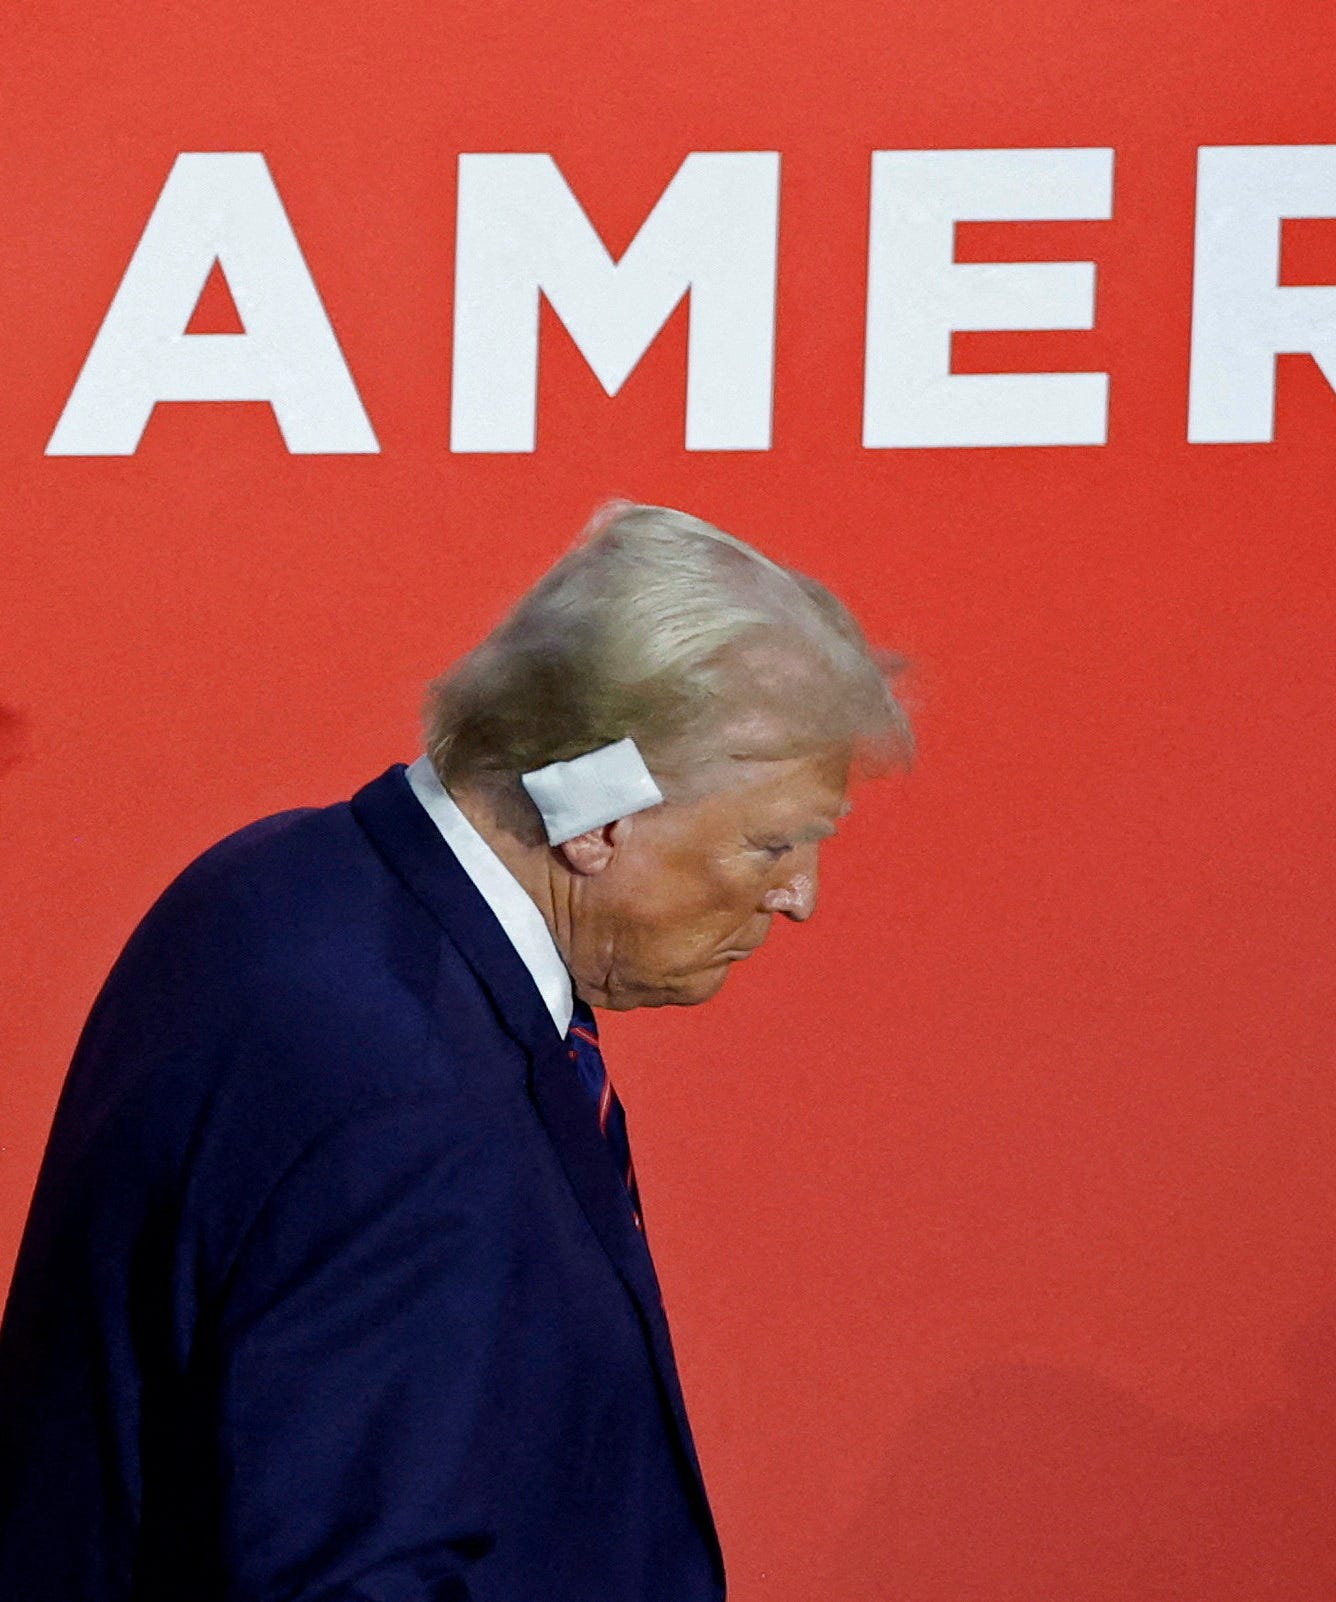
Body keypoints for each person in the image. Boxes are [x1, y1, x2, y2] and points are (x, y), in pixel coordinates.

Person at [0, 503, 910, 1601]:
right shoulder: (415, 1111)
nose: (798, 897)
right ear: (596, 821)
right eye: (774, 842)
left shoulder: (277, 879)